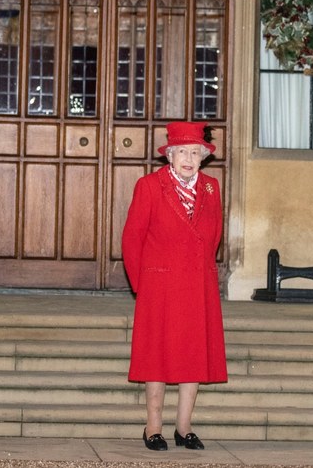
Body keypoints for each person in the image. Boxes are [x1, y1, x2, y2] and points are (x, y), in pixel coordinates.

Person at [123, 121, 227, 451]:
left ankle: (184, 428)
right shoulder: (149, 186)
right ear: (170, 155)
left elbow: (214, 235)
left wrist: (201, 271)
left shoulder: (211, 187)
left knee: (193, 356)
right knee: (157, 356)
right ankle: (153, 427)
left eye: (195, 153)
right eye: (181, 151)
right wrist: (142, 284)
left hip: (197, 284)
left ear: (203, 158)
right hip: (160, 284)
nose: (188, 158)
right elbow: (132, 238)